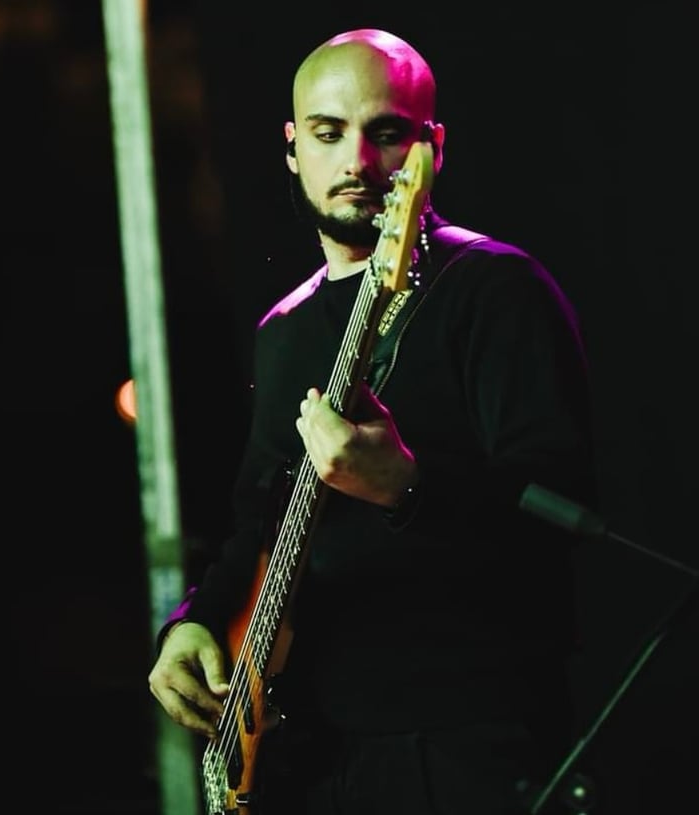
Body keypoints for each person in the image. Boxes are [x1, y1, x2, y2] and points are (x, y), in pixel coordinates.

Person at [148, 28, 597, 815]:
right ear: (293, 148)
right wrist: (195, 621)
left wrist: (406, 487)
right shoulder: (284, 328)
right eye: (328, 133)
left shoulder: (495, 289)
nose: (356, 160)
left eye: (385, 133)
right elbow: (260, 521)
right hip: (316, 753)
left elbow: (561, 509)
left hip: (465, 741)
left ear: (431, 149)